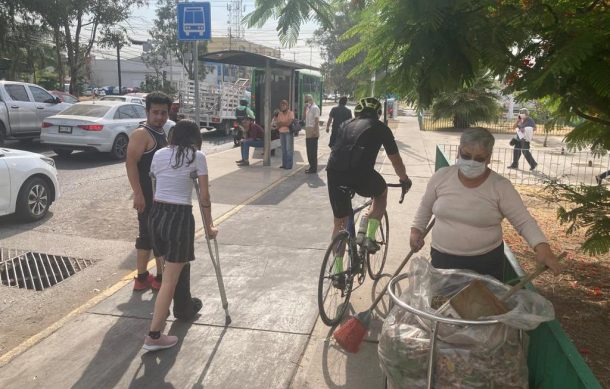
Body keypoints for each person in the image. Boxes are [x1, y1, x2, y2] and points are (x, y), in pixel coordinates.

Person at [410, 128, 561, 281]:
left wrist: (542, 248)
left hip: (484, 264)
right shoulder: (441, 177)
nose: (471, 162)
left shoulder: (501, 187)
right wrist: (416, 230)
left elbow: (524, 221)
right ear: (458, 151)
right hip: (442, 259)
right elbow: (425, 206)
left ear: (488, 158)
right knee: (444, 303)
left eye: (479, 158)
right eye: (466, 156)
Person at [143, 119, 218, 351]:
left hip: (156, 214)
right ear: (195, 138)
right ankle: (154, 336)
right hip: (179, 217)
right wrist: (209, 227)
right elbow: (204, 197)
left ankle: (171, 311)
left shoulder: (159, 154)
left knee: (167, 272)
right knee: (169, 280)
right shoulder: (197, 157)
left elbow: (155, 182)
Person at [326, 97, 411, 270]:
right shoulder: (381, 128)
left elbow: (335, 147)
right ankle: (369, 237)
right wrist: (404, 179)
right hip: (361, 174)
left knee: (339, 223)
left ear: (357, 112)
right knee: (381, 193)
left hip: (334, 173)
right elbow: (395, 160)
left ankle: (337, 271)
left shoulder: (345, 124)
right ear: (378, 114)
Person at [126, 91, 172, 291]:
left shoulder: (161, 132)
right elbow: (130, 164)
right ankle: (157, 279)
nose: (159, 117)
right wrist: (138, 193)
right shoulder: (141, 134)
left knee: (150, 235)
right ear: (147, 112)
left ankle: (144, 278)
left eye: (163, 113)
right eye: (155, 113)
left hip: (159, 197)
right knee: (154, 237)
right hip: (147, 197)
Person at [275, 100, 295, 169]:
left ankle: (289, 165)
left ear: (287, 106)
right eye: (281, 105)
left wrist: (282, 123)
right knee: (283, 149)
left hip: (288, 132)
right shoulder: (280, 114)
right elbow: (278, 124)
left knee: (289, 149)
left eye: (284, 105)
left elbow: (289, 123)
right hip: (281, 132)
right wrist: (284, 123)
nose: (282, 107)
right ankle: (284, 164)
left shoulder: (291, 113)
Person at [303, 94, 320, 173]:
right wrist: (304, 109)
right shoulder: (308, 108)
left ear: (310, 100)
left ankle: (313, 168)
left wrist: (315, 130)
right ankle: (311, 166)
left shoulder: (315, 108)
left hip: (313, 129)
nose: (306, 102)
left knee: (313, 151)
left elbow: (316, 120)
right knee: (309, 150)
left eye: (306, 101)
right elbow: (304, 118)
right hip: (308, 130)